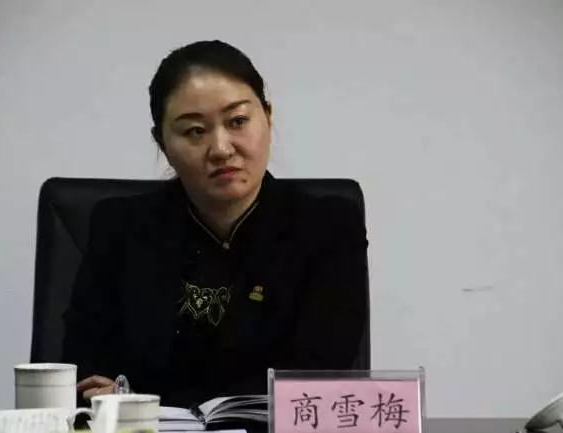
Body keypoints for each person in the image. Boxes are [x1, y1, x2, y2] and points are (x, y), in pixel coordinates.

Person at [62, 40, 368, 406]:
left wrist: (143, 396)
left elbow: (313, 380)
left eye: (237, 121)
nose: (221, 149)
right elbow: (85, 372)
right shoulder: (120, 228)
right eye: (195, 131)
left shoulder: (328, 228)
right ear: (162, 142)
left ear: (268, 117)